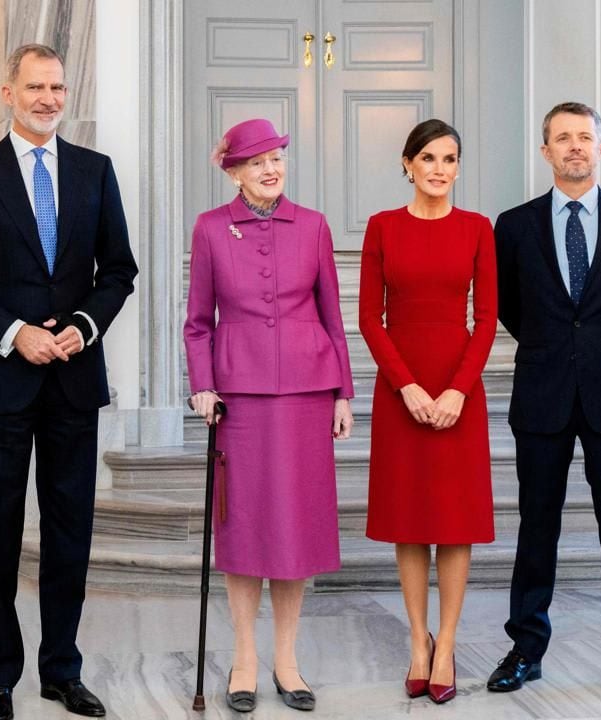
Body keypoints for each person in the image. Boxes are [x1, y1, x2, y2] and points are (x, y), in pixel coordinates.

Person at [0, 44, 137, 720]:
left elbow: (119, 272)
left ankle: (61, 671)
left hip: (75, 379)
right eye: (35, 86)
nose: (48, 98)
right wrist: (16, 331)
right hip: (1, 380)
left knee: (70, 531)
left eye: (57, 86)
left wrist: (83, 324)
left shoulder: (95, 172)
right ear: (8, 93)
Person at [487, 102, 601, 704]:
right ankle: (525, 649)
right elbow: (508, 307)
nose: (573, 147)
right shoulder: (512, 227)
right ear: (545, 151)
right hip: (542, 393)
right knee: (536, 526)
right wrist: (557, 348)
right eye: (562, 138)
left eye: (583, 138)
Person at [184, 118, 355, 714]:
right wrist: (202, 385)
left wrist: (343, 393)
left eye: (276, 156)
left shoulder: (313, 226)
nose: (270, 168)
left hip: (308, 394)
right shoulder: (210, 229)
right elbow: (198, 322)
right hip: (239, 398)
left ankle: (287, 658)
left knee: (295, 527)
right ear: (233, 171)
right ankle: (244, 657)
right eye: (256, 161)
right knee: (244, 526)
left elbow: (333, 314)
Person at [358, 119, 497, 705]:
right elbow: (370, 317)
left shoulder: (477, 229)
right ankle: (419, 640)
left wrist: (458, 390)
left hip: (459, 390)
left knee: (454, 523)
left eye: (450, 159)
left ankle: (448, 645)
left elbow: (487, 318)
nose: (440, 168)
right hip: (401, 392)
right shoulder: (383, 227)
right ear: (407, 164)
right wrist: (407, 387)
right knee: (410, 520)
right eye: (429, 158)